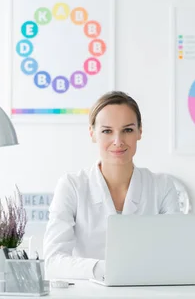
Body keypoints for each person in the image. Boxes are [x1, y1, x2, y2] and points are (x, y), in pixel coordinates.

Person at [43, 91, 180, 280]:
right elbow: (53, 262)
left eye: (128, 130)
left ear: (140, 131)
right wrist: (110, 270)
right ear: (92, 133)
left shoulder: (162, 187)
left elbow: (177, 255)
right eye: (107, 131)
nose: (118, 141)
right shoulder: (72, 186)